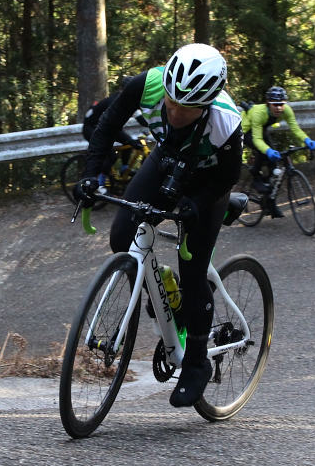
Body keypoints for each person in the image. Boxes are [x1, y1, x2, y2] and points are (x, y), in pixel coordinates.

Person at [73, 43, 244, 408]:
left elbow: (229, 175)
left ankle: (196, 360)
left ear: (208, 103)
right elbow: (105, 127)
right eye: (171, 100)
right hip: (167, 160)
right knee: (122, 236)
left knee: (193, 270)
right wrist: (91, 177)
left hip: (208, 181)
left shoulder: (225, 121)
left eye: (187, 107)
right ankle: (163, 292)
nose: (175, 110)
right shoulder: (146, 85)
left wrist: (195, 206)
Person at [241, 85, 315, 218]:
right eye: (275, 104)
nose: (278, 108)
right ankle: (256, 178)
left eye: (281, 104)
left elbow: (295, 128)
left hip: (261, 128)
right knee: (264, 151)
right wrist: (268, 151)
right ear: (268, 104)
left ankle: (269, 202)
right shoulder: (259, 113)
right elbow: (257, 140)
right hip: (245, 130)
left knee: (274, 164)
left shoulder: (286, 110)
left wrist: (307, 140)